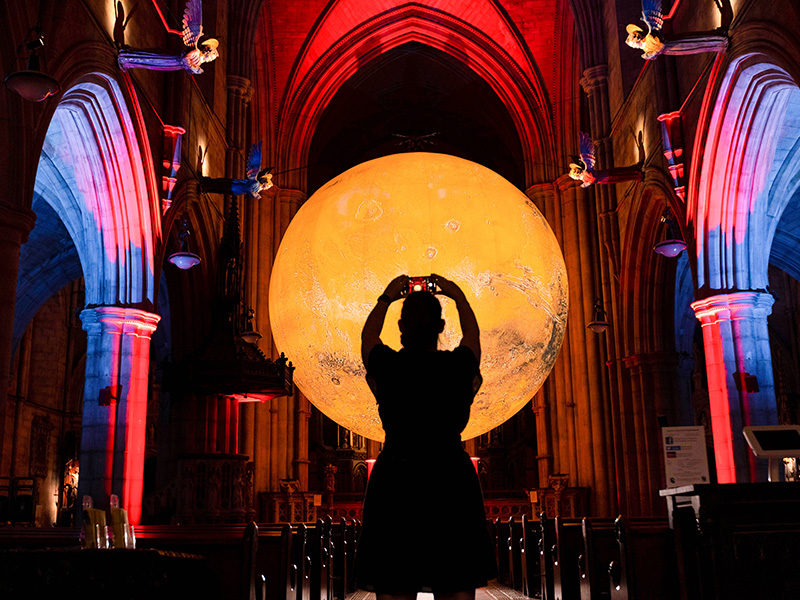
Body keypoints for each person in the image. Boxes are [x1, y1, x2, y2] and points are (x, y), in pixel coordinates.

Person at [354, 273, 497, 600]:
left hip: (396, 482)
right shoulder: (458, 367)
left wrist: (386, 297)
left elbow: (367, 338)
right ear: (442, 326)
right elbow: (473, 336)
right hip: (450, 482)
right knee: (456, 584)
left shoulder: (388, 366)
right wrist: (457, 294)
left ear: (401, 328)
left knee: (393, 584)